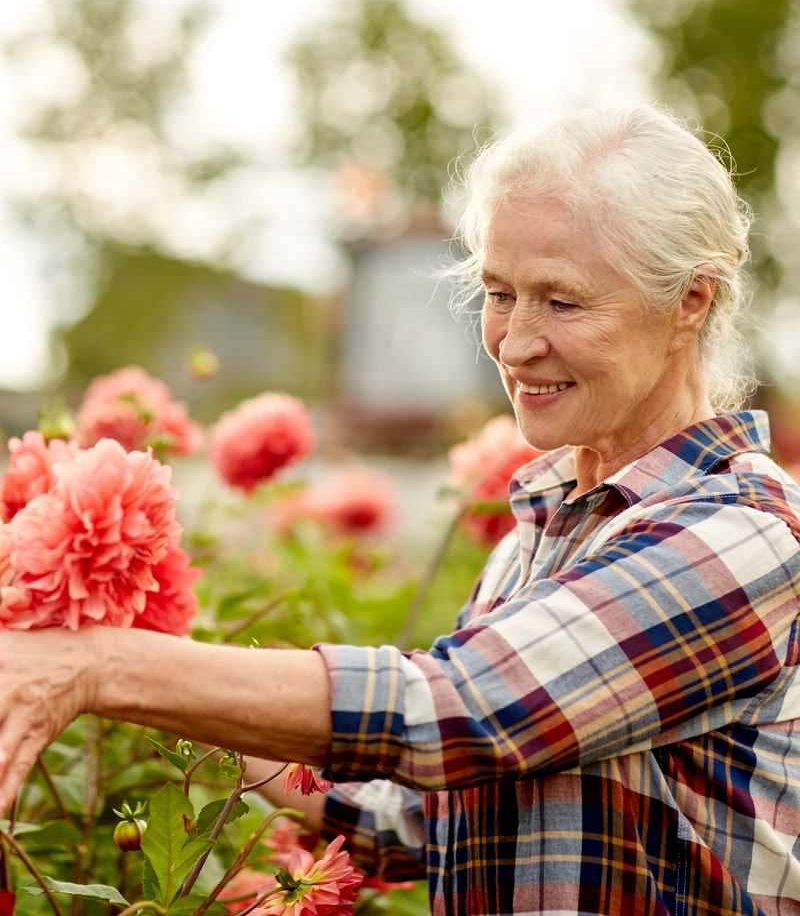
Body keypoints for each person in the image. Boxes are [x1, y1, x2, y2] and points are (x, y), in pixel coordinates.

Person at [1, 105, 800, 916]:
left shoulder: (739, 533)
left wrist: (100, 665)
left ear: (690, 302)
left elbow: (459, 710)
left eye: (561, 303)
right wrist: (199, 692)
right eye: (498, 293)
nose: (514, 341)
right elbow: (423, 820)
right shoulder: (550, 526)